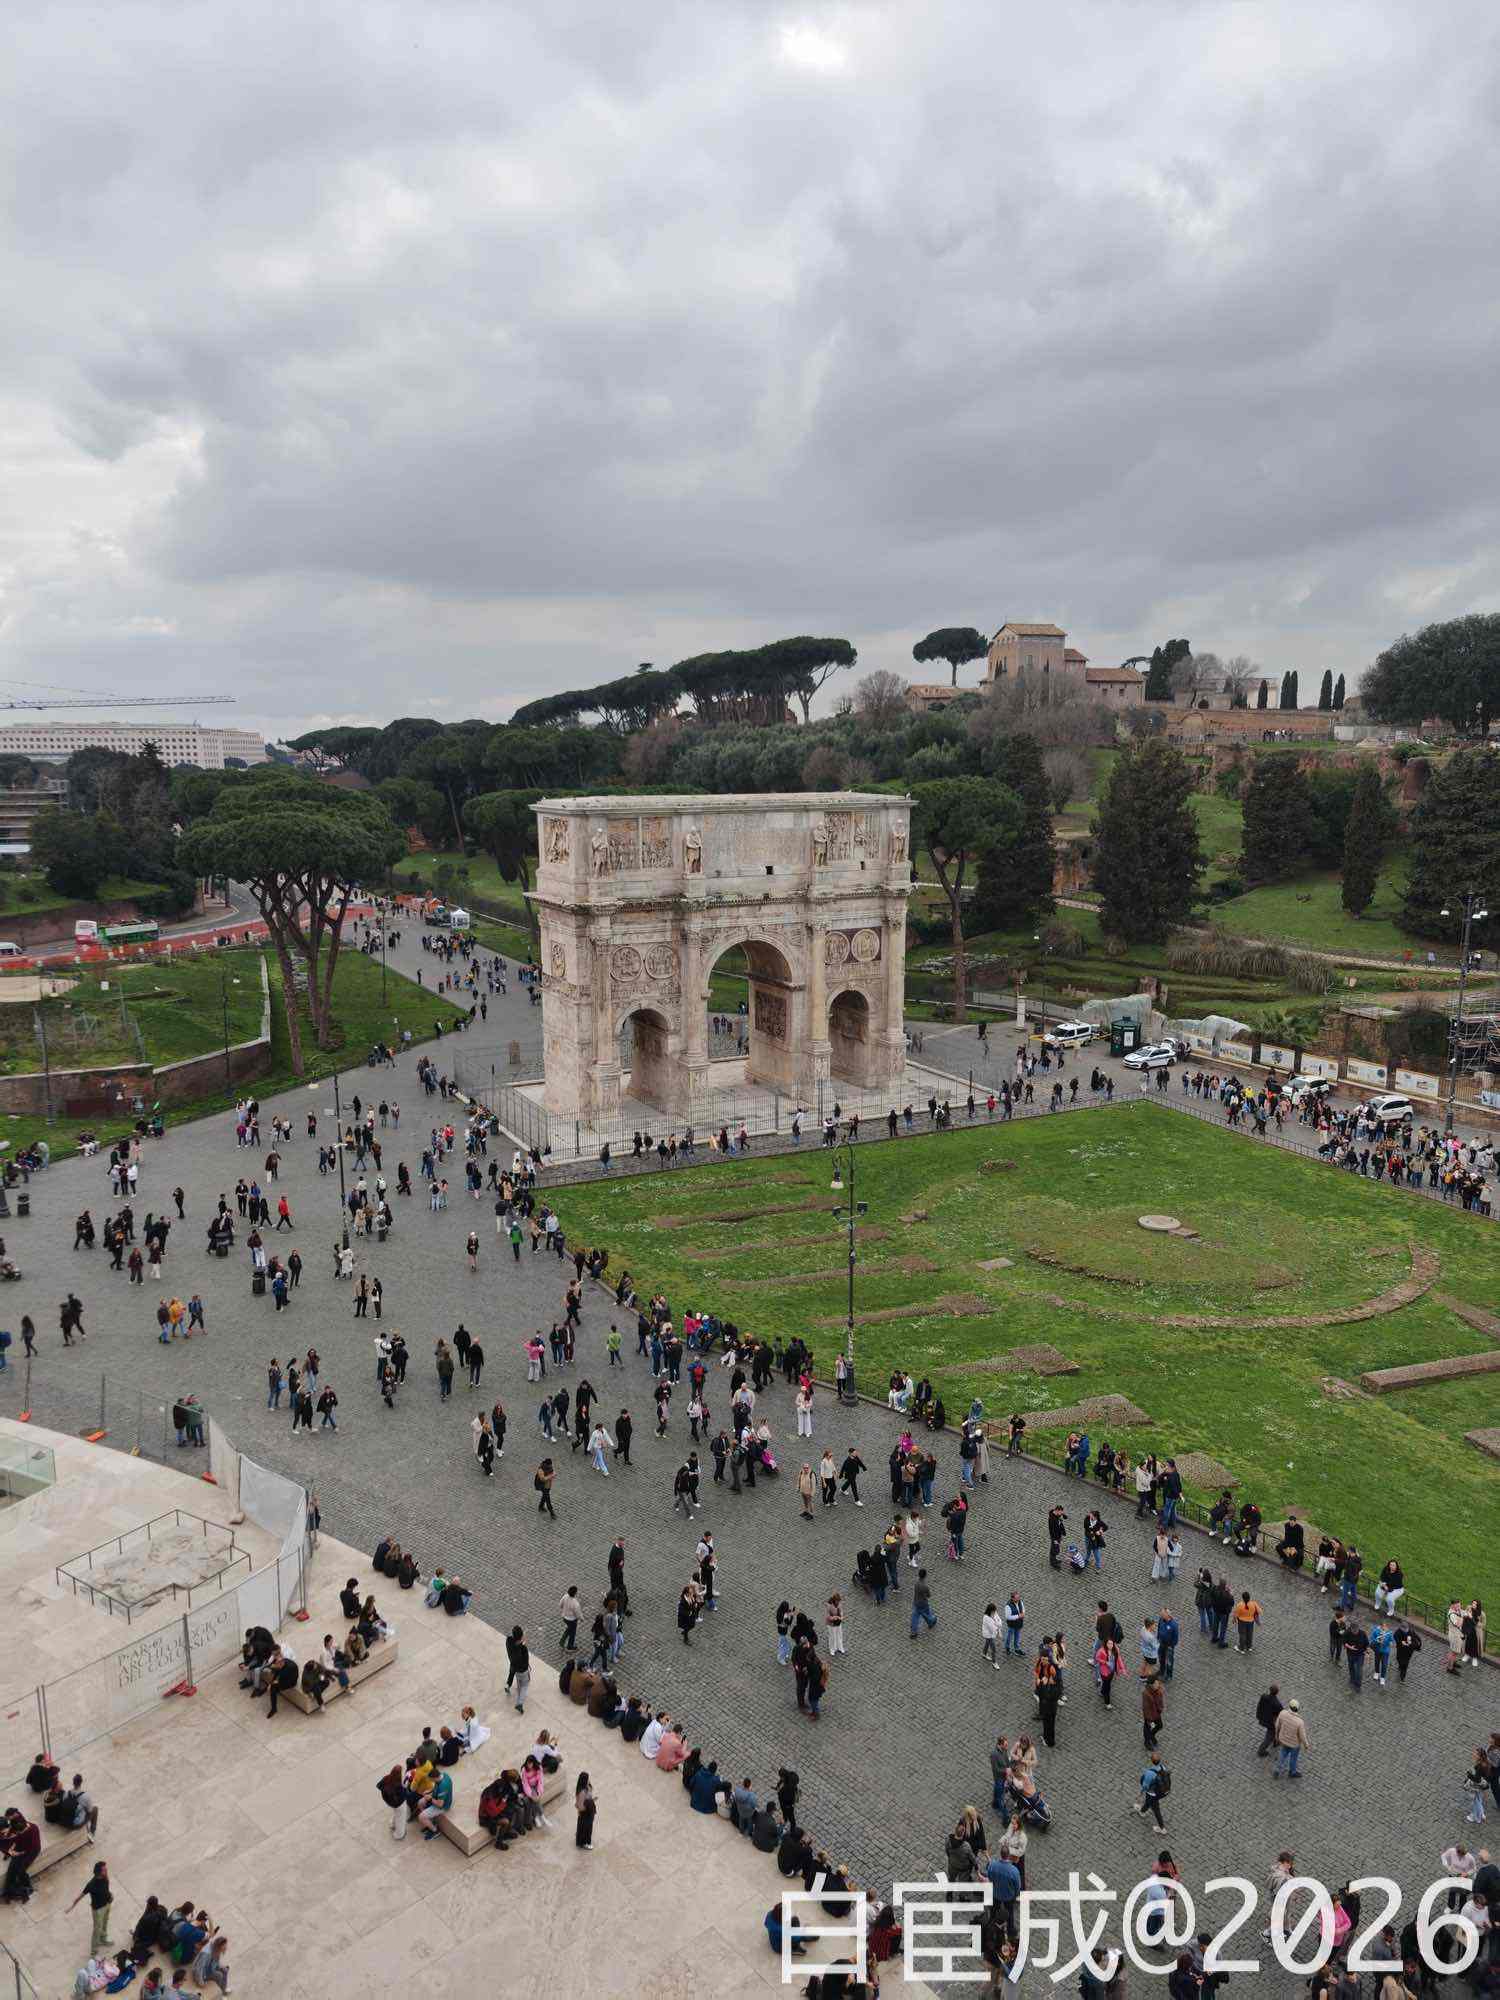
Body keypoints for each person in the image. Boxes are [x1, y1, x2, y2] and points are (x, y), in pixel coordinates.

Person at [69, 1861, 114, 1954]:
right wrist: (71, 1907)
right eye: (104, 1869)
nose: (107, 1870)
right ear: (99, 1872)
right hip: (98, 1910)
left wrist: (110, 1896)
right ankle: (94, 1951)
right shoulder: (91, 1885)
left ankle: (103, 1939)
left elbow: (106, 1888)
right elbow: (80, 1896)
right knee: (97, 1930)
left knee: (105, 1923)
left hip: (107, 1905)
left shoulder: (105, 1877)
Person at [574, 1771, 596, 1850]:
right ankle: (585, 1843)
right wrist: (588, 1805)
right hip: (586, 1813)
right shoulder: (582, 1792)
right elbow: (580, 1806)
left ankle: (580, 1836)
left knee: (585, 1826)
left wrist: (591, 1800)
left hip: (589, 1810)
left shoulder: (587, 1786)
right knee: (587, 1828)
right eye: (587, 1779)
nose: (589, 1780)